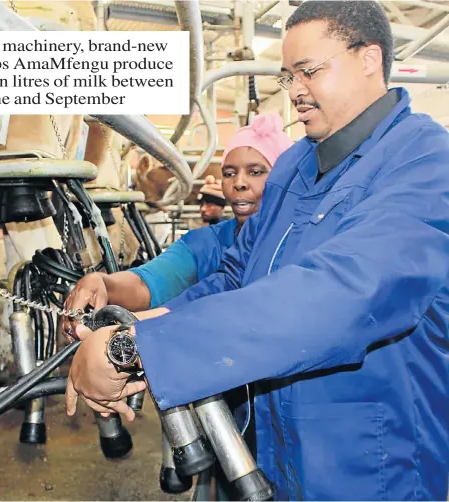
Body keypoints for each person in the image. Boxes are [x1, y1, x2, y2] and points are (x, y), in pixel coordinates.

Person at [66, 2, 449, 500]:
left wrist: (136, 350)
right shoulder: (293, 165)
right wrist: (143, 327)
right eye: (288, 76)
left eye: (309, 71)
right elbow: (234, 276)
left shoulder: (426, 161)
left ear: (369, 59)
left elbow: (346, 292)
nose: (295, 92)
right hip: (272, 452)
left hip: (373, 465)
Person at [61, 113, 293, 317]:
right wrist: (103, 283)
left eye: (256, 172)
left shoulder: (305, 241)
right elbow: (147, 282)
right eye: (229, 173)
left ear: (283, 177)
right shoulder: (206, 243)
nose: (239, 183)